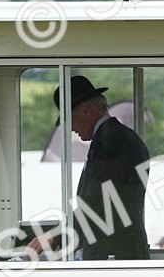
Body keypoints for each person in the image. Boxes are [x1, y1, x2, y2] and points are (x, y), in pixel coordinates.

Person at [34, 75, 151, 261]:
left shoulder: (111, 142)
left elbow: (99, 205)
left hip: (115, 252)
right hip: (116, 249)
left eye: (70, 119)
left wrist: (54, 235)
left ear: (86, 111)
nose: (71, 128)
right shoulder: (113, 138)